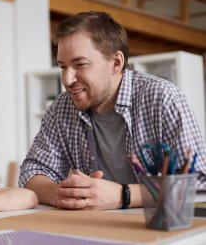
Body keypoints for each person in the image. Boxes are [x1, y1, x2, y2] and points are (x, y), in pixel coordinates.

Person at [18, 11, 206, 211]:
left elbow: (199, 184)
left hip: (158, 227)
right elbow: (32, 171)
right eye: (63, 66)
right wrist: (58, 194)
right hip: (96, 228)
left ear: (116, 63)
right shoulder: (61, 108)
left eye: (80, 64)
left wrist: (123, 195)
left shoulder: (162, 97)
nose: (67, 79)